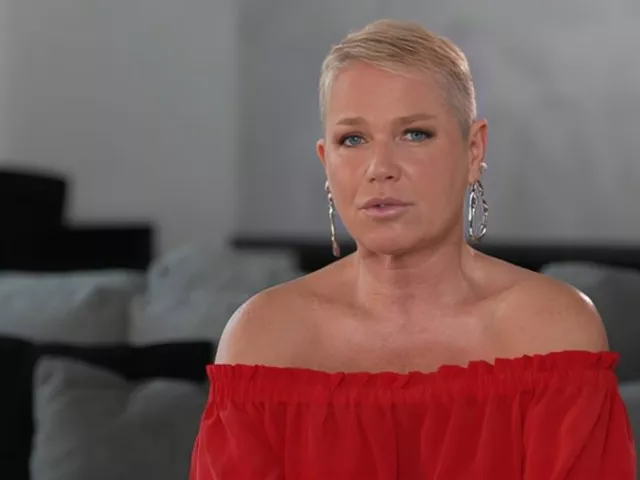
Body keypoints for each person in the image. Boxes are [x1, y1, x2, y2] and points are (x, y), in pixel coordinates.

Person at [190, 19, 636, 479]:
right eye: (353, 139)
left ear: (473, 151)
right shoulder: (263, 340)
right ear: (326, 161)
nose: (380, 167)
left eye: (415, 134)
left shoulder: (553, 333)